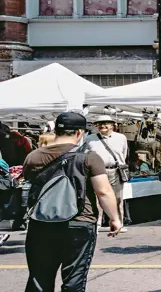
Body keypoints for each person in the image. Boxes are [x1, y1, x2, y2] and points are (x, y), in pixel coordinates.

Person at [23, 112, 122, 291]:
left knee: (39, 278)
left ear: (56, 131)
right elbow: (103, 191)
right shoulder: (89, 157)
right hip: (79, 222)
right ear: (79, 132)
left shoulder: (33, 157)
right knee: (73, 280)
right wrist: (114, 218)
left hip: (41, 221)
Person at [85, 115, 130, 231]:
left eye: (105, 123)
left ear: (112, 125)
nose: (102, 126)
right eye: (99, 124)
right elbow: (86, 155)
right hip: (97, 171)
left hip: (115, 170)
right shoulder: (90, 138)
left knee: (118, 198)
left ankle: (118, 223)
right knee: (97, 197)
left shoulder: (121, 138)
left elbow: (123, 154)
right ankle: (98, 223)